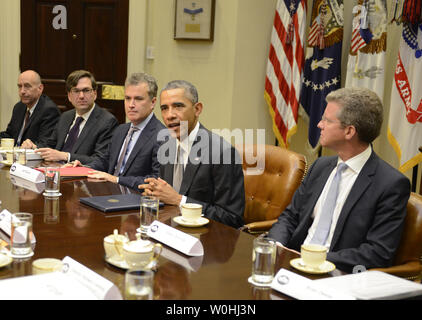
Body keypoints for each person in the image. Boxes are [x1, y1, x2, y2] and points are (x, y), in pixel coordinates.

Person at [268, 87, 411, 273]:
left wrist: (312, 260)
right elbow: (290, 216)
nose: (319, 124)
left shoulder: (390, 184)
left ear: (349, 131)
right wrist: (275, 245)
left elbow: (377, 253)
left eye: (327, 120)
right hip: (292, 265)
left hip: (338, 276)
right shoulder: (320, 166)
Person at [139, 80, 245, 229]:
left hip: (206, 241)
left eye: (178, 106)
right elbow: (168, 198)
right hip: (170, 232)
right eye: (164, 108)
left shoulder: (223, 153)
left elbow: (230, 218)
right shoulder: (166, 146)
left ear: (197, 109)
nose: (169, 115)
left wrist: (179, 200)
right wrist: (155, 194)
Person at [69, 72, 165, 190]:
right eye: (127, 98)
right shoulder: (121, 129)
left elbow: (156, 180)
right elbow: (105, 161)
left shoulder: (162, 136)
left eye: (138, 99)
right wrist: (84, 168)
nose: (131, 105)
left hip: (134, 199)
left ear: (153, 102)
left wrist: (116, 180)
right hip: (108, 193)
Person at [22, 70, 119, 164]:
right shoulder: (65, 117)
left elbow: (100, 160)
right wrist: (34, 148)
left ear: (94, 94)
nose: (81, 96)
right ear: (69, 96)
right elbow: (50, 145)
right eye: (76, 91)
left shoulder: (107, 122)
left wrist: (66, 156)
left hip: (81, 177)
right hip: (55, 171)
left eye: (86, 90)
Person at [0, 70, 60, 146]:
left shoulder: (49, 110)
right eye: (19, 86)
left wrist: (31, 146)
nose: (22, 91)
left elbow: (45, 144)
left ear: (40, 88)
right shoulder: (19, 107)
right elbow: (9, 135)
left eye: (27, 86)